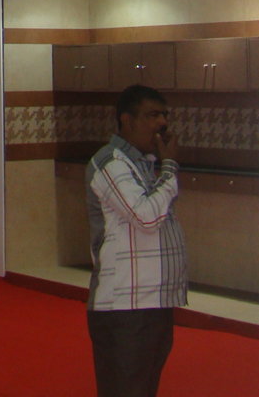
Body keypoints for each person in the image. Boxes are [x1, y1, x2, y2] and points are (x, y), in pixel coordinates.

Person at [85, 84, 185, 397]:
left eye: (164, 115)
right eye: (152, 115)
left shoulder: (143, 164)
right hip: (124, 309)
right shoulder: (110, 163)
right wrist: (169, 168)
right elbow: (146, 217)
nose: (162, 123)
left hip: (150, 303)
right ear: (127, 121)